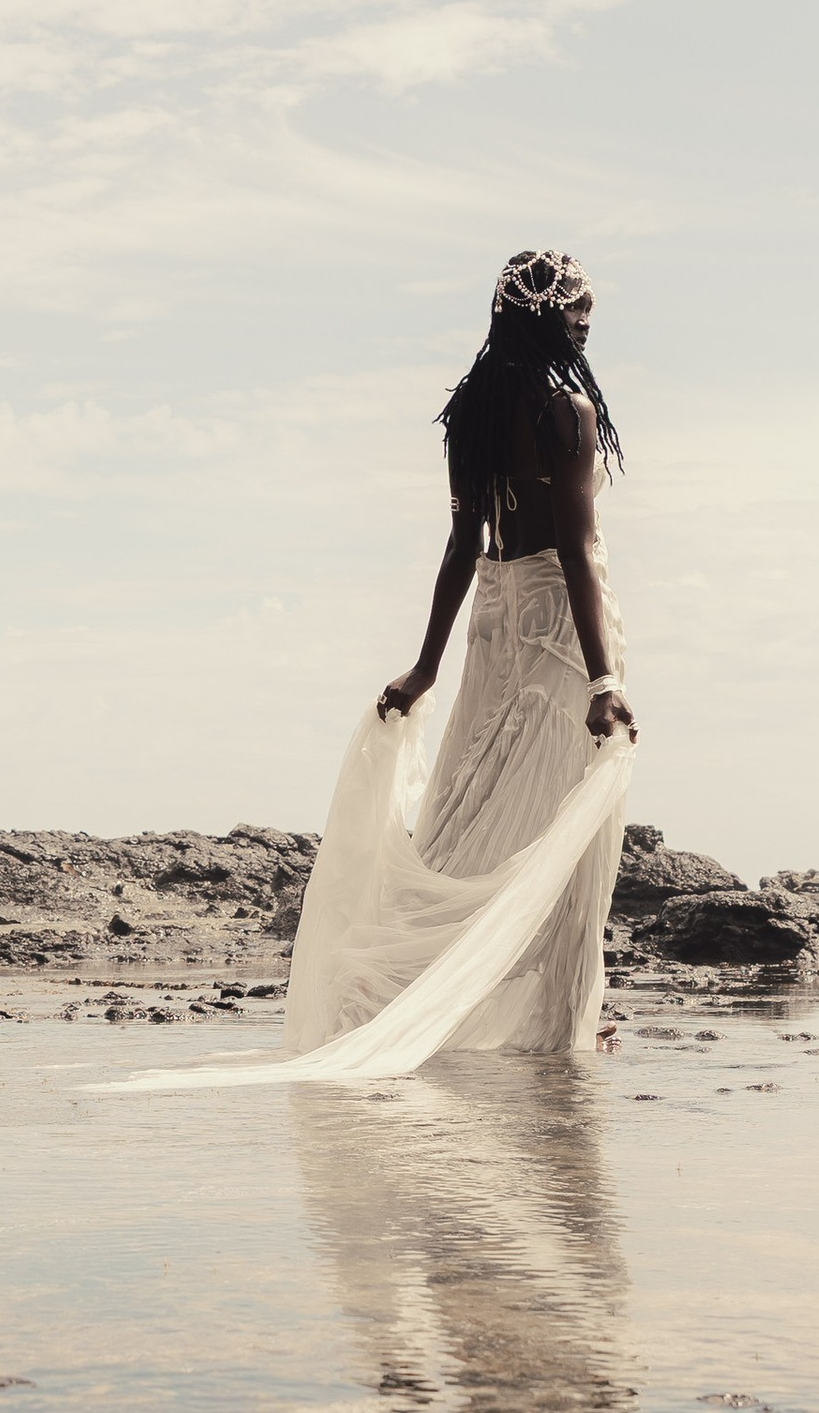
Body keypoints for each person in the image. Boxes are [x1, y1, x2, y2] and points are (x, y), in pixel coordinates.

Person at [100, 251, 637, 1094]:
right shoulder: (567, 411)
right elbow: (572, 550)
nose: (587, 320)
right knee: (557, 830)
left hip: (494, 624)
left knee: (466, 816)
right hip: (560, 630)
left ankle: (412, 996)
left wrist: (427, 667)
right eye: (575, 308)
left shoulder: (475, 415)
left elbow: (464, 546)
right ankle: (551, 1033)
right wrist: (604, 681)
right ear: (539, 316)